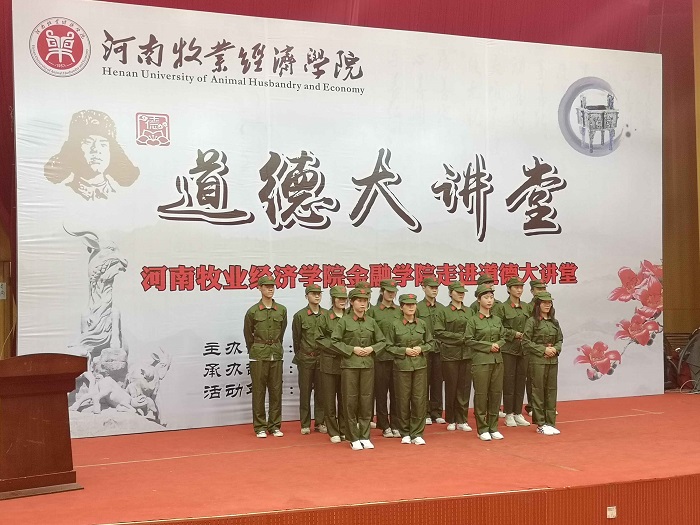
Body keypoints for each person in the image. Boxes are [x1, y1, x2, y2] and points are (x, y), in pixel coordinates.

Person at [332, 288, 386, 450]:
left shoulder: (371, 322)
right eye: (359, 300)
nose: (363, 304)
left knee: (366, 400)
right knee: (350, 401)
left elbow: (382, 341)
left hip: (367, 365)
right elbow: (334, 341)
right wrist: (351, 349)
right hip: (350, 366)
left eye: (365, 301)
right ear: (352, 302)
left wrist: (372, 348)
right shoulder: (344, 321)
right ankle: (353, 437)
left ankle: (365, 435)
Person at [44, 109, 139, 200]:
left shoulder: (121, 197)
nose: (96, 150)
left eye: (103, 144)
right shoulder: (62, 194)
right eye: (88, 142)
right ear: (74, 149)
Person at [385, 293, 433, 445]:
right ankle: (405, 431)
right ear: (401, 307)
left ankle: (417, 432)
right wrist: (403, 351)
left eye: (413, 304)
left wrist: (421, 348)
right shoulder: (394, 325)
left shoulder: (422, 324)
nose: (411, 307)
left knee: (419, 399)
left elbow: (431, 343)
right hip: (402, 367)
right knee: (402, 399)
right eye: (408, 304)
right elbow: (388, 346)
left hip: (420, 366)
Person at [243, 275, 288, 438]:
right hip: (258, 355)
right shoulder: (253, 311)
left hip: (275, 353)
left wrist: (274, 346)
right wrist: (256, 349)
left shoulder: (281, 310)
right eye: (267, 286)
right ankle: (260, 426)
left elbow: (282, 332)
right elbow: (248, 334)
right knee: (259, 391)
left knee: (276, 391)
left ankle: (274, 425)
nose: (270, 289)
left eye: (272, 286)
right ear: (259, 288)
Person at [466, 284, 506, 441]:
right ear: (478, 299)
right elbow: (469, 340)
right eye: (486, 297)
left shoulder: (497, 319)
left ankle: (493, 427)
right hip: (481, 362)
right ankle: (482, 428)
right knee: (481, 394)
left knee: (496, 394)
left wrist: (498, 344)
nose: (489, 300)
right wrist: (488, 346)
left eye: (491, 297)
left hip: (497, 361)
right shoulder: (473, 320)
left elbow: (503, 336)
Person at [433, 281, 473, 432]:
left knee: (464, 387)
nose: (461, 294)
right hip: (450, 354)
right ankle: (451, 419)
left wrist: (466, 339)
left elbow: (474, 330)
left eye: (463, 292)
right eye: (458, 292)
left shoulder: (470, 311)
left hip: (467, 354)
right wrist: (459, 338)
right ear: (450, 293)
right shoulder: (444, 312)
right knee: (451, 387)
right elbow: (439, 332)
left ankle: (462, 419)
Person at [523, 292, 563, 436]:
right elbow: (526, 342)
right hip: (537, 361)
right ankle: (540, 423)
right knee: (538, 391)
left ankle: (550, 422)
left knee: (551, 391)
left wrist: (555, 349)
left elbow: (560, 339)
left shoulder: (554, 322)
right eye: (544, 302)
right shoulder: (532, 321)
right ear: (538, 305)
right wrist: (543, 350)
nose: (547, 305)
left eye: (549, 302)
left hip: (552, 361)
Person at [493, 277, 531, 428]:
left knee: (521, 381)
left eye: (521, 287)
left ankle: (518, 412)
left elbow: (532, 324)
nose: (519, 290)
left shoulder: (526, 307)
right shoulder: (502, 307)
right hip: (508, 349)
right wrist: (514, 334)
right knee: (508, 381)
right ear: (509, 289)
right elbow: (498, 327)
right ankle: (508, 413)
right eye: (516, 287)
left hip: (523, 349)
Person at [367, 279, 402, 438]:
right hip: (380, 357)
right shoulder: (373, 311)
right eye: (388, 291)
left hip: (397, 357)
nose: (391, 294)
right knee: (380, 393)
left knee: (397, 393)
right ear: (382, 292)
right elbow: (370, 334)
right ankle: (384, 424)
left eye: (393, 292)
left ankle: (395, 424)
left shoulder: (399, 310)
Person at [292, 284, 326, 435]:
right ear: (307, 296)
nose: (317, 296)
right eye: (313, 294)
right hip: (306, 358)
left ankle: (320, 422)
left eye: (319, 293)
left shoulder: (327, 314)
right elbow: (297, 339)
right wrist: (302, 354)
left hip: (322, 359)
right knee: (305, 392)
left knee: (321, 392)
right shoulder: (300, 315)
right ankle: (305, 423)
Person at [316, 285, 349, 443]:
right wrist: (338, 347)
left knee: (345, 399)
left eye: (344, 299)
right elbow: (319, 339)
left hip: (347, 363)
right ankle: (333, 431)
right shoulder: (324, 317)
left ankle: (344, 429)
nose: (342, 301)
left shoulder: (350, 316)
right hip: (329, 363)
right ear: (333, 299)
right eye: (339, 298)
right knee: (329, 399)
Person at [416, 276, 446, 425]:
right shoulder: (417, 308)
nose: (434, 290)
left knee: (437, 381)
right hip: (424, 350)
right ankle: (425, 412)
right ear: (423, 288)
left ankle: (437, 412)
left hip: (439, 349)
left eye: (436, 288)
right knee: (423, 382)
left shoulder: (442, 308)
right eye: (431, 287)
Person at [524, 279, 548, 416]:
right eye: (539, 289)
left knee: (546, 378)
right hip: (532, 347)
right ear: (532, 291)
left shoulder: (548, 306)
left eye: (543, 289)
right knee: (533, 378)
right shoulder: (528, 307)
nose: (541, 291)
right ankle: (532, 406)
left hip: (546, 347)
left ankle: (545, 406)